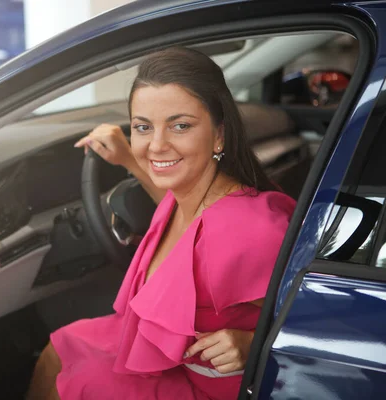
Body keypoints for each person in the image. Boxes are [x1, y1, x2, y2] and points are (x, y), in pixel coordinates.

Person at [26, 47, 296, 400]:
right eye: (143, 127)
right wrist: (127, 157)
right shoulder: (191, 192)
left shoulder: (252, 230)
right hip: (174, 360)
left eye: (180, 125)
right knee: (60, 348)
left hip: (212, 388)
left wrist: (254, 342)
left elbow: (324, 322)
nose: (156, 145)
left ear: (219, 135)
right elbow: (183, 222)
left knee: (78, 381)